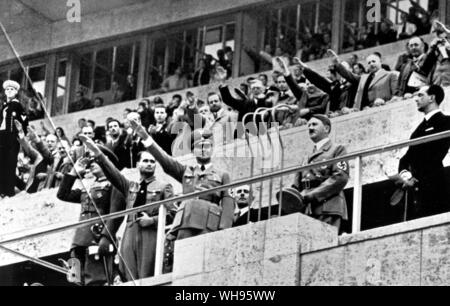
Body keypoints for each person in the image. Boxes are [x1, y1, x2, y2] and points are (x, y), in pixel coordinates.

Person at [80, 135, 175, 282]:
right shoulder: (130, 187)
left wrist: (152, 220)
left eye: (152, 161)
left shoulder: (163, 187)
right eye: (145, 161)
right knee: (130, 277)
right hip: (130, 234)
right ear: (138, 164)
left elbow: (173, 213)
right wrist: (97, 152)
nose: (149, 164)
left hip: (150, 234)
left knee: (148, 276)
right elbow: (112, 173)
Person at [130, 119, 235, 241]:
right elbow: (165, 160)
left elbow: (228, 205)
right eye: (198, 146)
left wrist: (224, 230)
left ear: (212, 149)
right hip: (186, 222)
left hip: (209, 223)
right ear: (192, 151)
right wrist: (146, 137)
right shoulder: (185, 171)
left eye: (207, 146)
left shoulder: (222, 175)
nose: (203, 149)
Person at [56, 146, 120, 286]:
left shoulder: (113, 185)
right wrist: (73, 172)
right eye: (90, 163)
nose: (91, 165)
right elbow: (62, 194)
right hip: (79, 239)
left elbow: (115, 213)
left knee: (96, 280)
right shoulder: (89, 187)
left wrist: (106, 236)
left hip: (97, 237)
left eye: (96, 161)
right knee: (75, 278)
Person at [276, 115, 350, 232]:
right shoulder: (306, 157)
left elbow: (340, 178)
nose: (310, 128)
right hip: (308, 209)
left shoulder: (337, 149)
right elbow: (296, 186)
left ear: (326, 129)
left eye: (314, 124)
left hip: (327, 206)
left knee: (324, 243)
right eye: (309, 125)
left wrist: (310, 195)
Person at [398, 85, 450, 220]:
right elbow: (405, 159)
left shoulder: (446, 121)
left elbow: (435, 153)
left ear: (432, 98)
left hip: (435, 184)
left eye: (421, 95)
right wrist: (406, 176)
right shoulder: (418, 129)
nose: (416, 99)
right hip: (418, 188)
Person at [333, 52, 398, 110]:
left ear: (380, 62)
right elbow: (349, 75)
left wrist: (385, 103)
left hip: (384, 109)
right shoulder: (364, 78)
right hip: (366, 110)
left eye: (373, 61)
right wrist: (337, 64)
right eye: (369, 63)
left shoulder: (390, 75)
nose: (371, 64)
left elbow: (396, 96)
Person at [0, 80, 28, 197]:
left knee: (10, 164)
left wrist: (21, 133)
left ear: (16, 92)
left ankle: (8, 191)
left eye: (11, 89)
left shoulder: (17, 105)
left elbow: (24, 120)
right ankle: (19, 186)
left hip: (11, 137)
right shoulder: (4, 106)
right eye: (7, 89)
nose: (9, 91)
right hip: (2, 136)